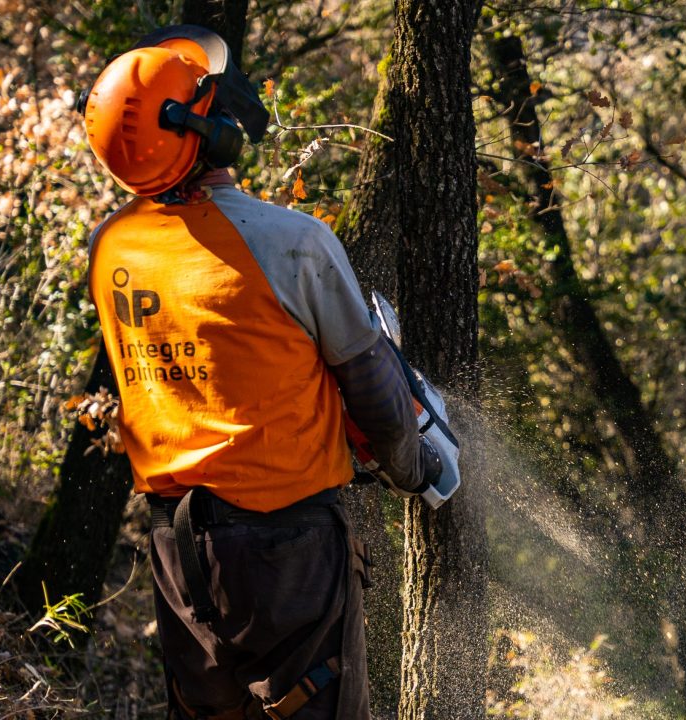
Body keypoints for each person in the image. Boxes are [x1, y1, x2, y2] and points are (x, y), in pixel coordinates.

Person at [79, 25, 437, 720]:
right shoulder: (293, 242)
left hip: (176, 547)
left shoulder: (110, 248)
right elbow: (378, 397)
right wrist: (413, 466)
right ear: (203, 128)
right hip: (288, 548)